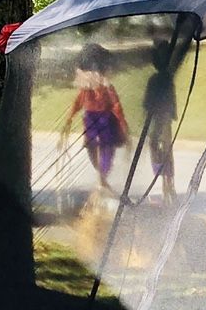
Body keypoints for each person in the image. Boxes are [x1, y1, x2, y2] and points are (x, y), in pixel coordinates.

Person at [63, 45, 129, 191]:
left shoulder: (106, 88)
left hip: (105, 121)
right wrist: (69, 117)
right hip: (92, 120)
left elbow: (116, 105)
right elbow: (78, 102)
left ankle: (102, 180)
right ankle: (102, 179)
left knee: (104, 149)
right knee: (93, 149)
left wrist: (122, 124)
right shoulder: (86, 90)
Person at [142, 38, 179, 201]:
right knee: (161, 148)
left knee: (163, 147)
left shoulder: (160, 79)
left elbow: (149, 102)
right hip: (160, 117)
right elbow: (150, 101)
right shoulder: (160, 79)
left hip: (161, 117)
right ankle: (166, 179)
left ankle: (168, 181)